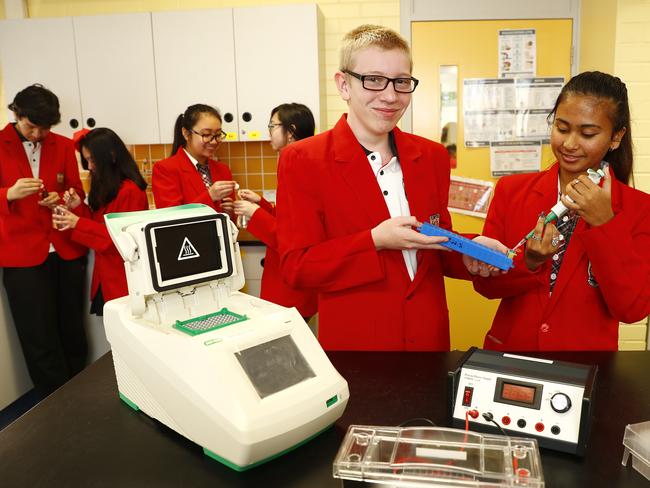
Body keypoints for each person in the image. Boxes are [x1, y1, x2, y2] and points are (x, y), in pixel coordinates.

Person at [276, 25, 506, 351]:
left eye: (401, 82)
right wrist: (375, 241)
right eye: (373, 80)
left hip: (429, 338)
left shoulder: (432, 156)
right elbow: (297, 268)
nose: (390, 96)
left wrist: (471, 250)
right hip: (358, 345)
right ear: (344, 85)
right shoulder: (303, 159)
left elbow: (432, 246)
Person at [474, 71, 650, 351]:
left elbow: (631, 310)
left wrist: (605, 224)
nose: (569, 144)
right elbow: (485, 287)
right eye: (562, 128)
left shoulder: (640, 209)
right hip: (513, 355)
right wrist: (529, 263)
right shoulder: (511, 191)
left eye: (588, 133)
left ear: (616, 137)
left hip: (585, 365)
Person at [0, 84, 88, 397]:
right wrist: (8, 194)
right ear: (16, 114)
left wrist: (67, 198)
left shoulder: (63, 145)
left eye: (45, 128)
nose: (38, 135)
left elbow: (76, 190)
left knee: (72, 330)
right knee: (38, 335)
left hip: (66, 249)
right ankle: (54, 403)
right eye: (31, 127)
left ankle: (81, 395)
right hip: (21, 255)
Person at [234, 103, 318, 320]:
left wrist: (255, 213)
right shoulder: (299, 157)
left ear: (290, 132)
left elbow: (292, 235)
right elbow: (291, 216)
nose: (269, 131)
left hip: (291, 280)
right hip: (295, 277)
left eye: (272, 125)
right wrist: (261, 204)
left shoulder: (295, 161)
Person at [52, 128, 149, 315]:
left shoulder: (130, 191)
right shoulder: (110, 186)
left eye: (92, 160)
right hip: (107, 276)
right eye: (86, 160)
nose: (89, 167)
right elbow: (100, 225)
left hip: (123, 279)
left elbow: (119, 240)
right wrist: (78, 207)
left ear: (111, 155)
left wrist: (77, 222)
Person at [152, 104, 236, 215]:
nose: (214, 141)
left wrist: (230, 212)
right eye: (206, 134)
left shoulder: (223, 169)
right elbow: (170, 218)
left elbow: (232, 224)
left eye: (218, 134)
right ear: (186, 134)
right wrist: (210, 196)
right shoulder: (165, 169)